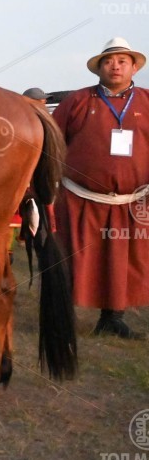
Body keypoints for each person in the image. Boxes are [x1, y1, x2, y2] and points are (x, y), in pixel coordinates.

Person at [52, 37, 149, 340]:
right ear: (99, 68)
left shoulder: (147, 101)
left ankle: (113, 318)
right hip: (80, 199)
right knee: (74, 258)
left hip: (132, 202)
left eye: (122, 61)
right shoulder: (78, 101)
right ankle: (60, 319)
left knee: (120, 262)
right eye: (108, 61)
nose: (115, 66)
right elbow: (51, 143)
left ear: (134, 67)